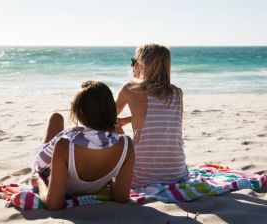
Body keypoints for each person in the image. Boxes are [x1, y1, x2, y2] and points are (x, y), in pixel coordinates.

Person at [31, 81, 134, 210]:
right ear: (111, 109)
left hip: (53, 178)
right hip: (97, 178)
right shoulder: (126, 145)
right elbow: (121, 198)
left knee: (55, 118)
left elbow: (53, 204)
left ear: (79, 112)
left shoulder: (64, 145)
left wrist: (39, 179)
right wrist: (110, 178)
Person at [116, 44, 188, 188]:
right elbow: (164, 121)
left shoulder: (129, 89)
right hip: (177, 175)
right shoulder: (177, 93)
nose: (132, 65)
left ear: (142, 64)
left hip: (141, 177)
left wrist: (119, 125)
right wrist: (129, 119)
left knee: (112, 126)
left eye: (134, 61)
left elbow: (103, 118)